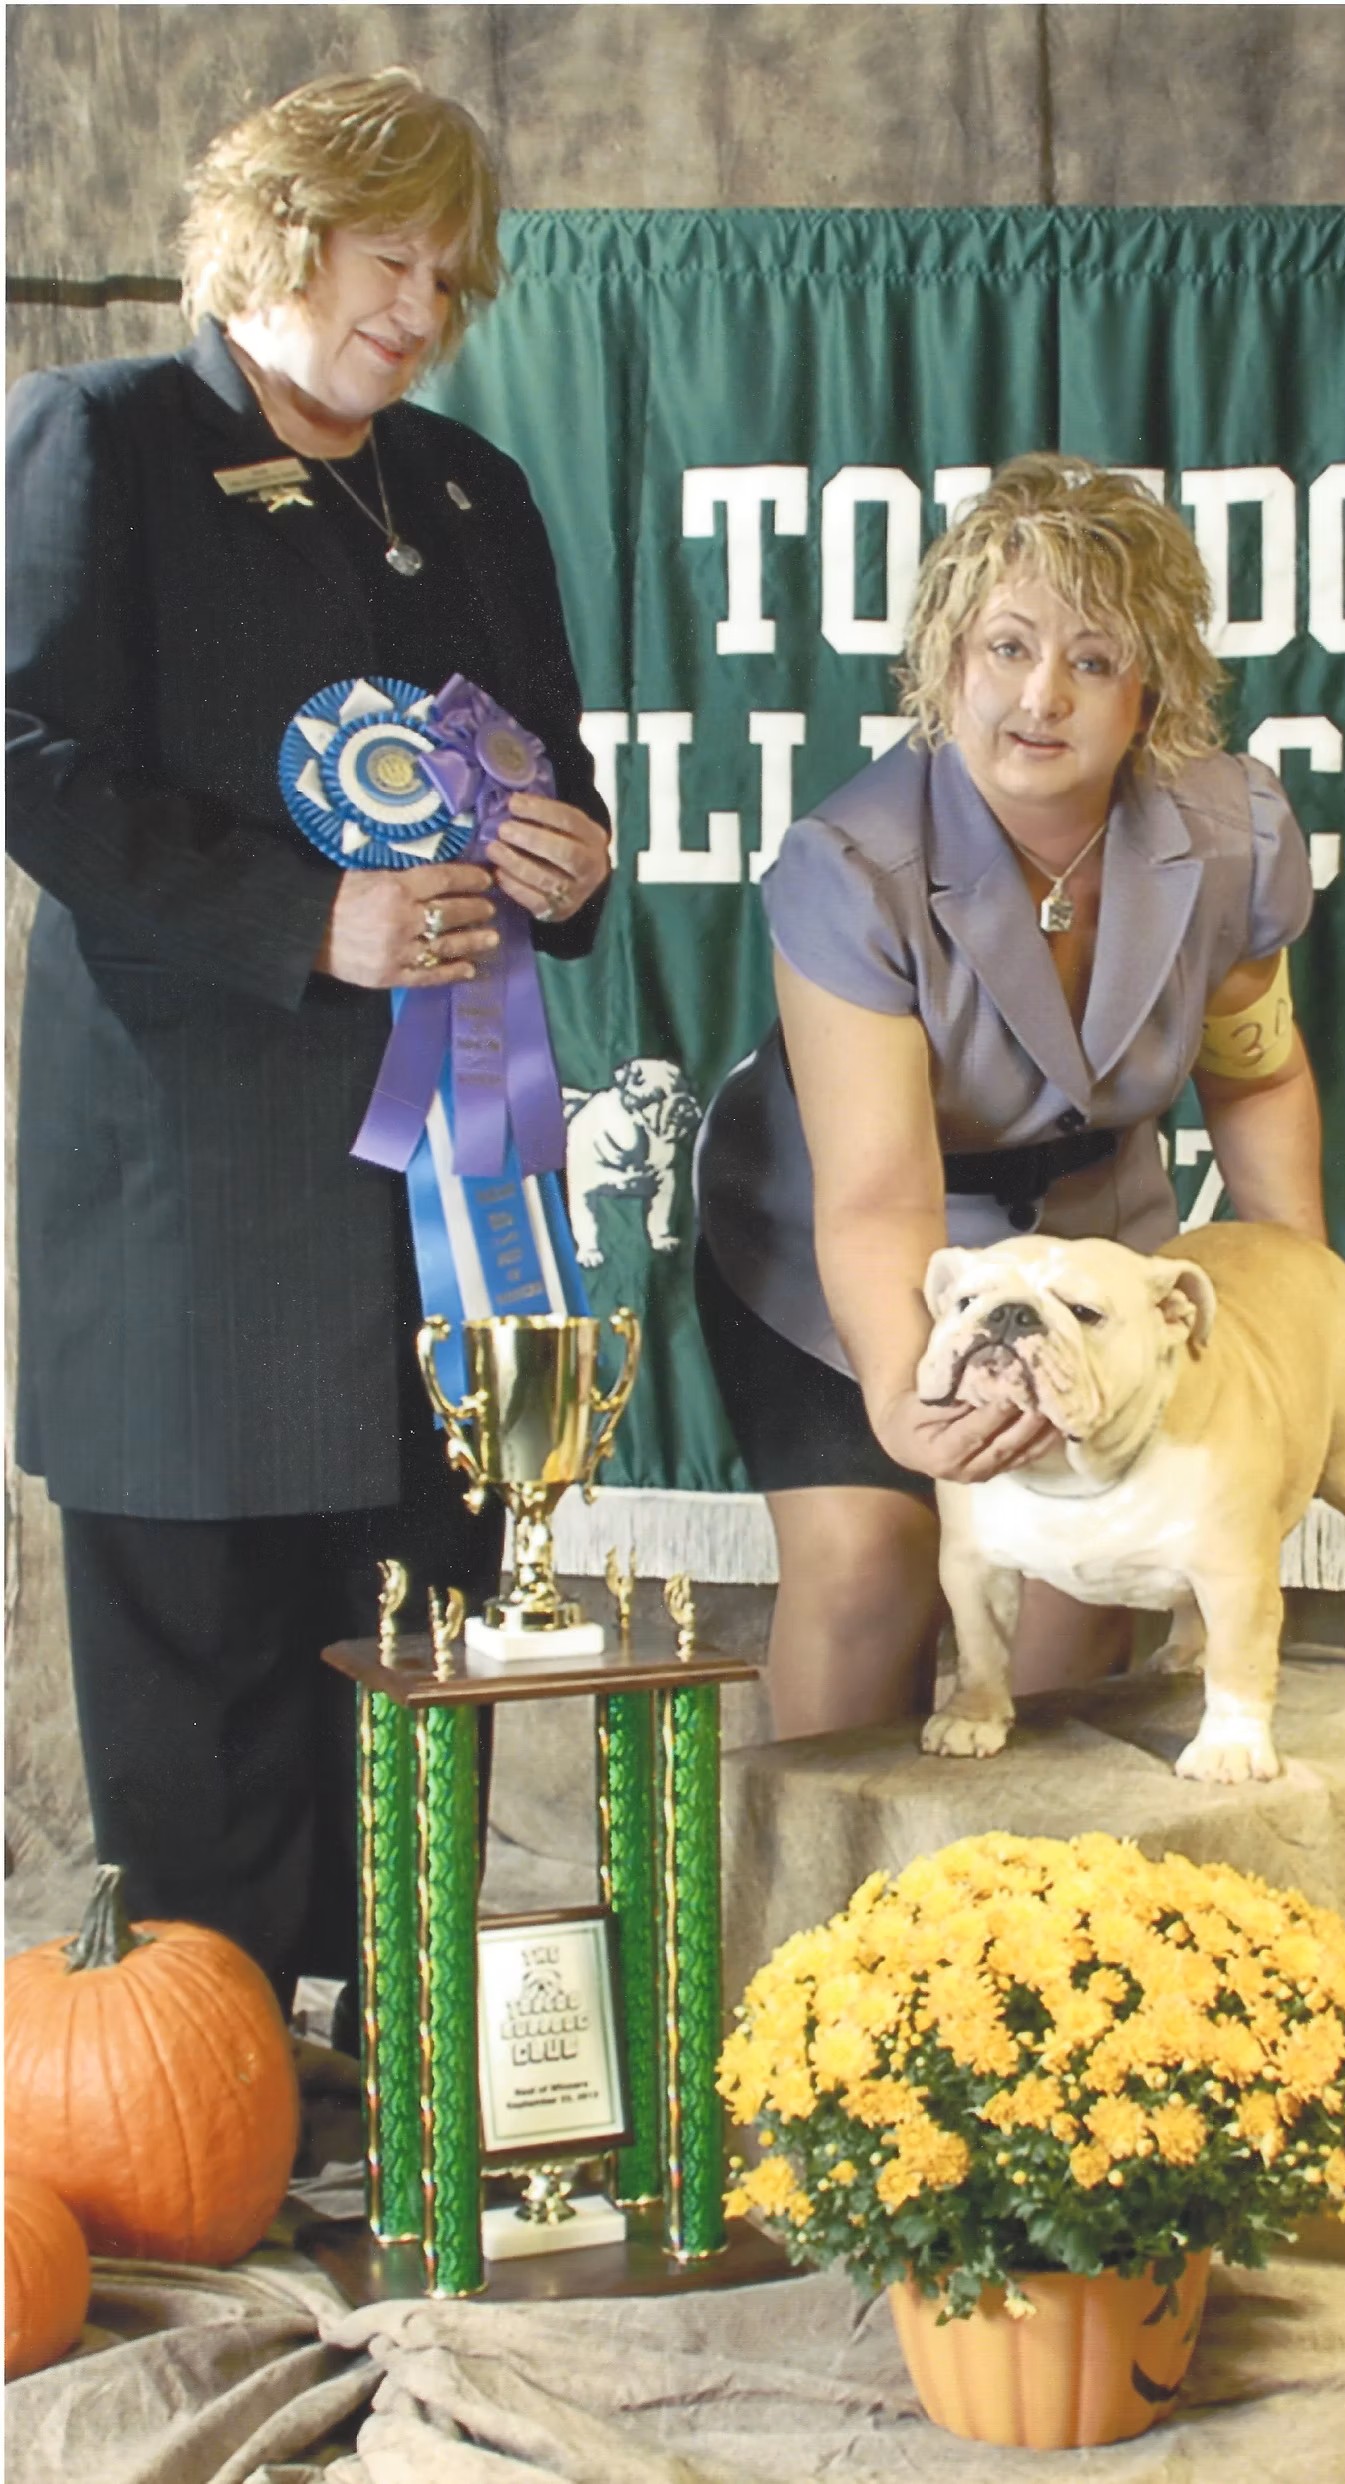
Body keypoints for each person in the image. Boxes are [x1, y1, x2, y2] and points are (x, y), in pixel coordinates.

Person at [6, 70, 611, 2029]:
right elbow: (31, 759)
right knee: (207, 1680)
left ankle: (399, 2080)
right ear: (274, 232)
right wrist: (304, 919)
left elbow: (556, 770)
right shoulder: (103, 437)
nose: (421, 311)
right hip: (188, 1197)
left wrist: (573, 854)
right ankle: (208, 2083)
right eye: (388, 262)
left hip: (433, 1214)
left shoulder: (469, 488)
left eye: (450, 279)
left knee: (417, 1636)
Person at [695, 453, 1325, 1739]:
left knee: (1092, 1572)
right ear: (946, 661)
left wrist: (1299, 1314)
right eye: (1007, 647)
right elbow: (880, 1193)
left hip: (1090, 1231)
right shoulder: (847, 865)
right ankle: (831, 1868)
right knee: (873, 1562)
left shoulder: (1231, 833)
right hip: (837, 1235)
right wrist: (903, 1395)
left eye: (1093, 660)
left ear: (1151, 689)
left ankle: (1038, 1870)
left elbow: (1257, 1076)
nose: (1042, 696)